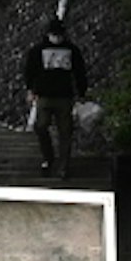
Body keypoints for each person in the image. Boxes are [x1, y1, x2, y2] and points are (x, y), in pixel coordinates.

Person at [24, 15, 86, 180]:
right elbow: (30, 70)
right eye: (55, 34)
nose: (57, 37)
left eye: (59, 34)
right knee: (41, 126)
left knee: (65, 131)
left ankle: (63, 165)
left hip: (65, 96)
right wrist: (30, 89)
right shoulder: (38, 50)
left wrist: (81, 93)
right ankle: (49, 158)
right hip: (45, 95)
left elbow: (80, 72)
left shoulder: (72, 50)